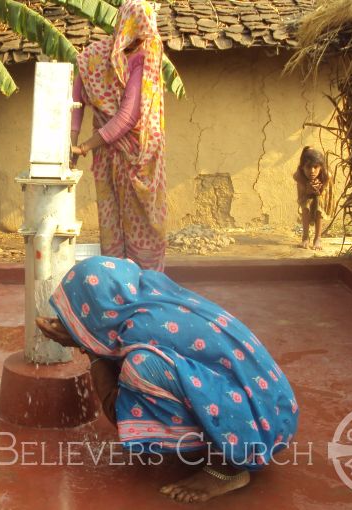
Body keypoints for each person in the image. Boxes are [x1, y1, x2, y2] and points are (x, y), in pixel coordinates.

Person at [36, 256, 298, 504]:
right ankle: (219, 440)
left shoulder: (138, 331)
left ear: (100, 310)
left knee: (140, 368)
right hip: (276, 408)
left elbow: (116, 408)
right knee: (145, 365)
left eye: (78, 314)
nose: (70, 322)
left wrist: (88, 345)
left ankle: (228, 469)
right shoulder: (151, 299)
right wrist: (86, 335)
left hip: (260, 430)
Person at [71, 0, 168, 271]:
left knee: (138, 224)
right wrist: (73, 141)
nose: (146, 35)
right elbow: (76, 99)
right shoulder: (97, 56)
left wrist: (81, 144)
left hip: (137, 156)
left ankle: (141, 287)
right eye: (141, 28)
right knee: (115, 223)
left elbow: (127, 117)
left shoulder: (144, 56)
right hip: (115, 156)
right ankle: (124, 288)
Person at [294, 146, 330, 250]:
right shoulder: (299, 176)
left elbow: (323, 194)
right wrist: (307, 188)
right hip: (305, 192)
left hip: (321, 193)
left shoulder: (326, 175)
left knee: (319, 208)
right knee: (305, 207)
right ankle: (305, 237)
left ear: (321, 167)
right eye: (308, 167)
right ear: (302, 167)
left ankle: (318, 238)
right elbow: (302, 196)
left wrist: (318, 189)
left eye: (315, 167)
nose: (312, 171)